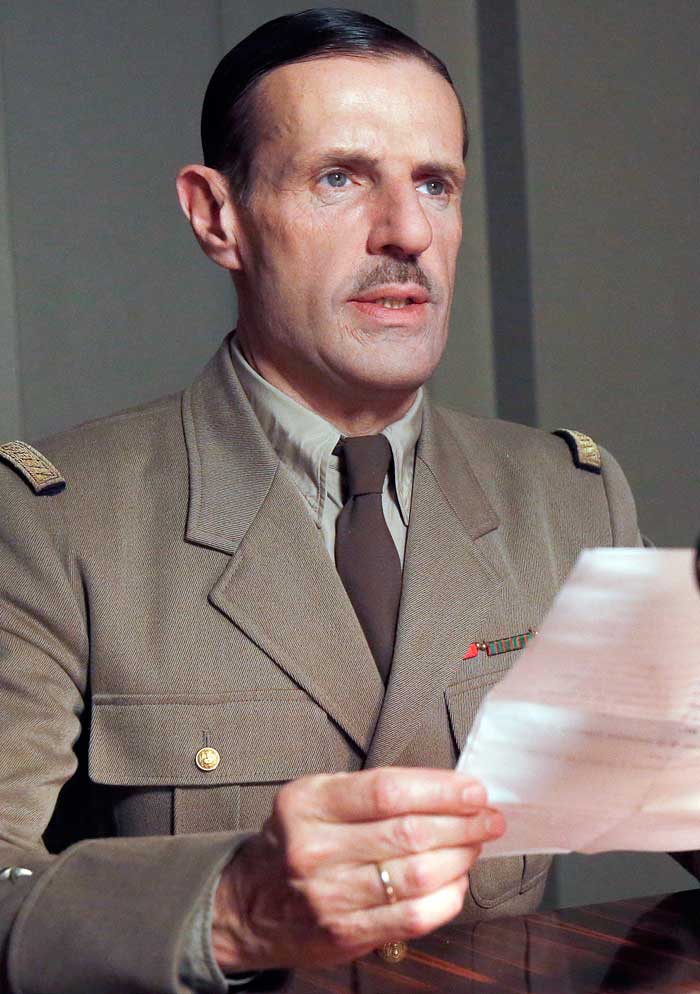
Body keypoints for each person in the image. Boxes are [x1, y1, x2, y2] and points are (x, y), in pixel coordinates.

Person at [0, 9, 644, 994]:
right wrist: (232, 909)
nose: (407, 232)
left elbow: (673, 794)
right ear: (218, 217)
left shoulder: (568, 498)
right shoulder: (52, 523)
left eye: (435, 184)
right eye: (340, 178)